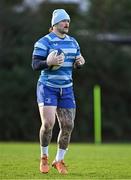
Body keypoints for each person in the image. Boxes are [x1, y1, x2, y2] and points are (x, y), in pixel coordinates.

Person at [32, 9, 85, 175]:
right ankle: (44, 158)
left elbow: (77, 62)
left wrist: (80, 62)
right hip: (47, 87)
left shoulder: (73, 42)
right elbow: (35, 65)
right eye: (63, 21)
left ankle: (59, 160)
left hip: (66, 89)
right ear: (54, 23)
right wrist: (48, 62)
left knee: (68, 125)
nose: (67, 23)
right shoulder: (44, 42)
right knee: (48, 124)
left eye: (68, 21)